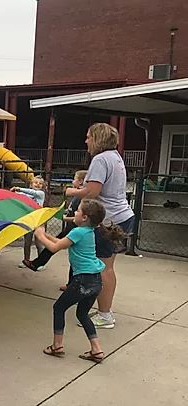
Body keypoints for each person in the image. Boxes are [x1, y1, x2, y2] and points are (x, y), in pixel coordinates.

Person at [65, 123, 134, 329]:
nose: (86, 141)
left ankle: (105, 315)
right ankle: (105, 311)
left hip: (108, 220)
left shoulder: (100, 159)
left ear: (98, 139)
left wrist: (71, 192)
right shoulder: (115, 157)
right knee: (107, 267)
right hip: (121, 216)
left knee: (103, 268)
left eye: (89, 137)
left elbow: (92, 191)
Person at [34, 199, 114, 364]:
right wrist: (46, 235)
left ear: (84, 217)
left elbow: (54, 248)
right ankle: (96, 349)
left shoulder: (78, 231)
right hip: (95, 280)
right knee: (82, 314)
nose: (75, 213)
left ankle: (57, 346)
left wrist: (40, 235)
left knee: (59, 308)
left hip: (82, 280)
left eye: (77, 211)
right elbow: (61, 243)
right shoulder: (89, 231)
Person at [23, 170, 88, 290]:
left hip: (75, 228)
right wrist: (64, 218)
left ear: (80, 182)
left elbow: (80, 218)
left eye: (74, 178)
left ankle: (38, 263)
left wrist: (42, 235)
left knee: (57, 246)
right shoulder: (78, 197)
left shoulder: (81, 198)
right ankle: (70, 283)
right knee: (69, 252)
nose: (72, 181)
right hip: (72, 226)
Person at [11, 176, 46, 268]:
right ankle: (26, 260)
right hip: (29, 220)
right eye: (35, 182)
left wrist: (19, 188)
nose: (38, 184)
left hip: (39, 221)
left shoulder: (40, 194)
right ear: (31, 184)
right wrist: (14, 192)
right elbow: (20, 195)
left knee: (39, 243)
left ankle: (41, 262)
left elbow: (32, 192)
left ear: (42, 186)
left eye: (40, 183)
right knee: (27, 242)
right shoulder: (26, 195)